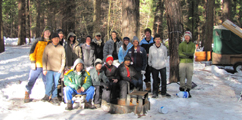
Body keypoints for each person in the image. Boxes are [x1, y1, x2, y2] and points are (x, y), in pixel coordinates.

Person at [24, 27, 51, 103]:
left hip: (47, 65)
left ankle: (47, 95)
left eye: (49, 32)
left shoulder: (51, 42)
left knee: (47, 81)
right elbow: (32, 52)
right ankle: (27, 93)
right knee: (32, 79)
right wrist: (33, 62)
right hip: (37, 64)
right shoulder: (38, 41)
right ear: (43, 32)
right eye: (46, 31)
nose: (47, 33)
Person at [42, 32, 66, 105]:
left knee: (55, 84)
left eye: (57, 38)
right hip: (49, 69)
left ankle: (54, 97)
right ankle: (47, 95)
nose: (56, 40)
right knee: (49, 83)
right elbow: (44, 58)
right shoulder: (48, 47)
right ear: (52, 39)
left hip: (58, 70)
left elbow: (63, 59)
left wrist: (61, 69)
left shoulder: (61, 48)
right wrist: (44, 68)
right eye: (54, 38)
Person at [178, 31, 195, 98]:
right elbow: (180, 54)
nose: (187, 37)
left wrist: (184, 54)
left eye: (188, 36)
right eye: (186, 36)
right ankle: (182, 88)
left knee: (189, 76)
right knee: (182, 75)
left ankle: (188, 89)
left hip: (189, 62)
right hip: (182, 62)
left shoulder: (192, 45)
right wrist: (187, 55)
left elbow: (192, 53)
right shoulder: (181, 45)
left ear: (190, 37)